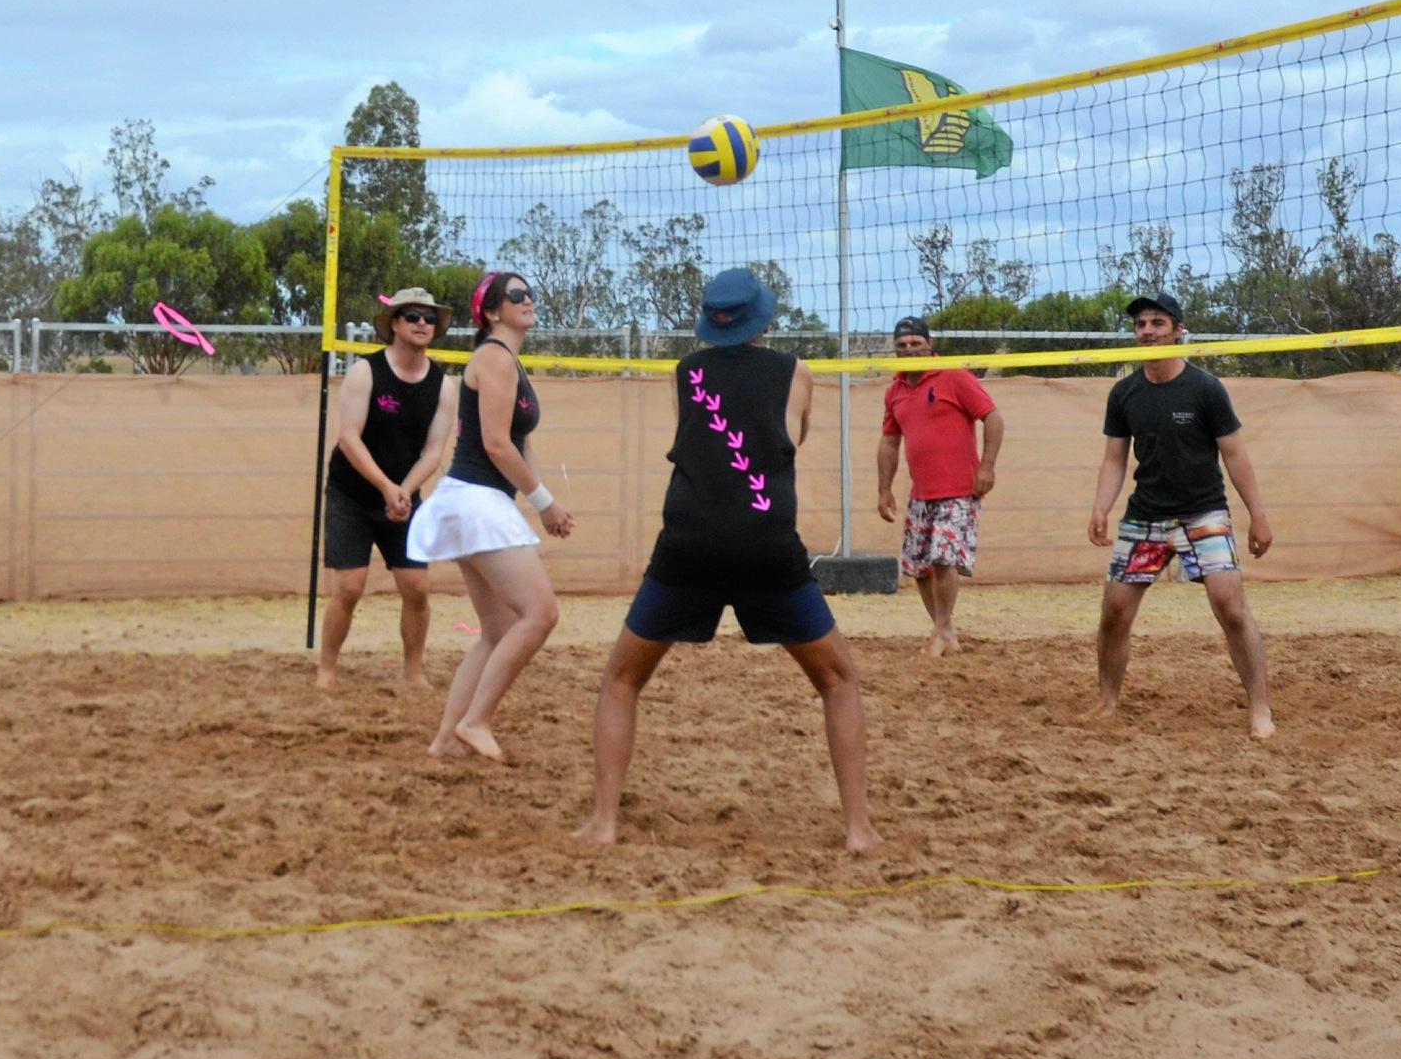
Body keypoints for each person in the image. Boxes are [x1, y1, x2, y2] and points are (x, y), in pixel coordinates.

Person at [578, 269, 882, 852]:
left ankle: (603, 823)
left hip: (688, 542)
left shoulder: (685, 371)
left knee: (621, 680)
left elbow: (696, 436)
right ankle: (859, 830)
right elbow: (794, 438)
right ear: (764, 320)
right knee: (839, 681)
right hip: (766, 543)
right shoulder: (798, 374)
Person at [1087, 291, 1277, 740]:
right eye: (1141, 325)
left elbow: (1235, 455)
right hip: (1146, 516)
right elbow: (1115, 459)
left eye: (1157, 323)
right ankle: (1108, 701)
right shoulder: (1125, 392)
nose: (1148, 331)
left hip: (1203, 512)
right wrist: (1101, 506)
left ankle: (1260, 709)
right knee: (1114, 610)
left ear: (1178, 330)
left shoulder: (1206, 388)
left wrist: (1258, 516)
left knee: (1231, 608)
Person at [404, 271, 573, 761]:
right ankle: (475, 722)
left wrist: (544, 504)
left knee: (498, 631)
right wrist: (545, 502)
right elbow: (497, 445)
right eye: (515, 296)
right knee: (541, 614)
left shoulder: (509, 364)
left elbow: (520, 442)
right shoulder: (494, 358)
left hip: (475, 501)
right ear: (492, 312)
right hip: (476, 499)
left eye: (531, 293)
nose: (528, 301)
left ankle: (445, 741)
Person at [316, 286, 456, 689]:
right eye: (412, 316)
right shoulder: (366, 372)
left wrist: (404, 491)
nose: (422, 324)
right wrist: (385, 487)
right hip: (353, 494)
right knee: (350, 586)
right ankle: (327, 669)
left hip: (402, 499)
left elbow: (433, 451)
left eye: (429, 318)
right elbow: (349, 439)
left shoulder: (443, 386)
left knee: (416, 588)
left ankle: (414, 672)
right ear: (394, 324)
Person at [875, 313, 1003, 657]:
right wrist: (884, 489)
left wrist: (987, 467)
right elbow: (889, 442)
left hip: (960, 489)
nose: (909, 349)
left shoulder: (954, 376)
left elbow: (993, 417)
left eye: (916, 343)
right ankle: (943, 631)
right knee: (919, 567)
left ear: (929, 346)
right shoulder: (896, 390)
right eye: (902, 345)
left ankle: (943, 629)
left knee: (943, 558)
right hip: (921, 492)